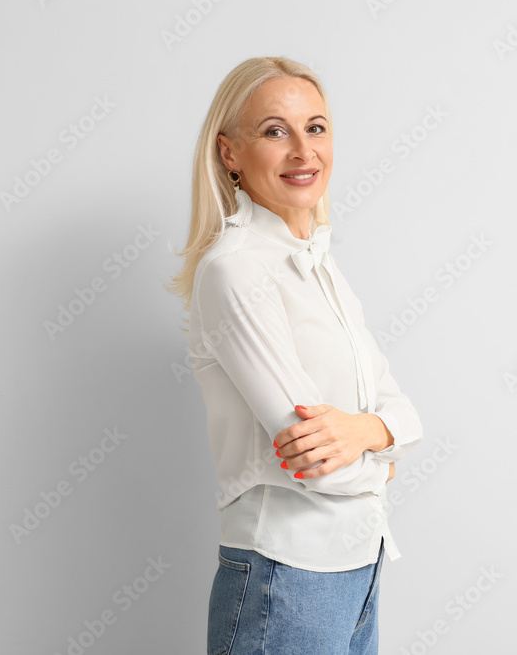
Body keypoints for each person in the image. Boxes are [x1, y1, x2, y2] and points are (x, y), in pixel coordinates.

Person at [167, 56, 423, 655]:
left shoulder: (320, 265)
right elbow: (310, 457)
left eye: (316, 127)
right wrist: (382, 462)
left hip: (360, 561)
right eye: (275, 131)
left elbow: (403, 411)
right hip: (285, 572)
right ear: (230, 153)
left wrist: (366, 428)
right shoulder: (235, 270)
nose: (304, 152)